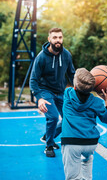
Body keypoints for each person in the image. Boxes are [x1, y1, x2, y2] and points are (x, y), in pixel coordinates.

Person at [61, 68, 107, 180]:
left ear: (75, 86)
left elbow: (77, 88)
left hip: (72, 142)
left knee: (73, 177)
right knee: (87, 162)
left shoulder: (68, 94)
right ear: (93, 88)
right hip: (90, 143)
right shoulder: (97, 102)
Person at [29, 27, 75, 157]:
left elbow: (72, 74)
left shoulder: (66, 55)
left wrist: (78, 87)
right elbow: (33, 80)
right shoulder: (41, 57)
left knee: (68, 117)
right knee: (53, 117)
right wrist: (39, 98)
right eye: (54, 38)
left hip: (61, 92)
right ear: (49, 39)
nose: (58, 40)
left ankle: (49, 135)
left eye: (60, 37)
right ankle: (49, 145)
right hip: (45, 91)